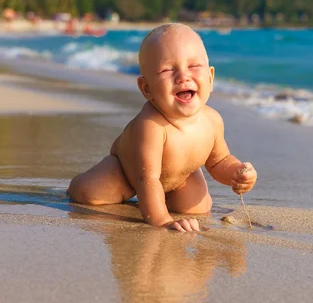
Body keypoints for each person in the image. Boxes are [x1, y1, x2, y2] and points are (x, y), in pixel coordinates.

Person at [67, 23, 258, 232]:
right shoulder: (151, 126)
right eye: (168, 69)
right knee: (91, 195)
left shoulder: (212, 121)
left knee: (199, 207)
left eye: (194, 66)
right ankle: (78, 183)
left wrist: (236, 173)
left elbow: (219, 160)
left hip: (178, 176)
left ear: (210, 78)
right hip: (126, 173)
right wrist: (163, 220)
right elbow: (146, 178)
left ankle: (168, 194)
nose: (183, 76)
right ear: (146, 88)